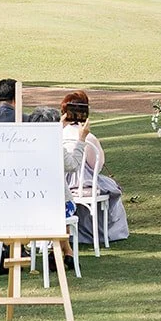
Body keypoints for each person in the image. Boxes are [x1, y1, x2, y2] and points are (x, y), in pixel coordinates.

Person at [60, 91, 130, 245]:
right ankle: (105, 231)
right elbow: (97, 166)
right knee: (111, 188)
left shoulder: (58, 135)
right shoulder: (88, 138)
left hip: (63, 183)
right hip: (84, 183)